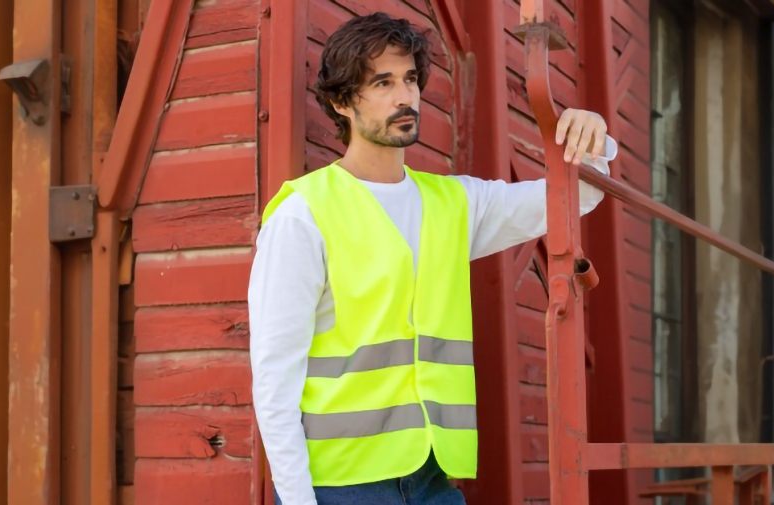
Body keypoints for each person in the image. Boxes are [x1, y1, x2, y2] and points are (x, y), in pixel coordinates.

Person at [249, 12, 617, 505]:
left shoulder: (455, 204)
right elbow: (275, 376)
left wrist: (593, 137)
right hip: (341, 488)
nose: (405, 97)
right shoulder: (303, 215)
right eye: (382, 83)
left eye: (410, 80)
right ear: (341, 103)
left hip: (434, 482)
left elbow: (578, 198)